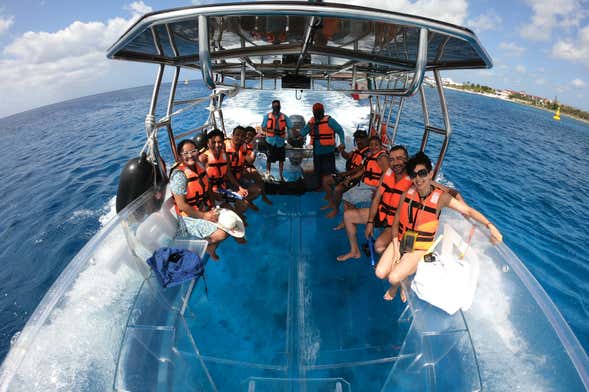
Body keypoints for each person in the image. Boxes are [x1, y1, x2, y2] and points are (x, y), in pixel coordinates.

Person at [376, 152, 503, 301]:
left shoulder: (440, 198)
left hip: (420, 247)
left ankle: (397, 285)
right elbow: (396, 221)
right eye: (414, 175)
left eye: (422, 173)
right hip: (403, 239)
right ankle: (404, 274)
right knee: (380, 272)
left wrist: (490, 225)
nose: (418, 178)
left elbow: (467, 210)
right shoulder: (407, 193)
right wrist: (397, 247)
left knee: (393, 277)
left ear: (430, 174)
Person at [336, 146, 412, 261]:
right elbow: (377, 198)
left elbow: (430, 184)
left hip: (395, 223)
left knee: (379, 246)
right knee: (348, 216)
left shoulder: (414, 179)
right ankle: (354, 251)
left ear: (407, 159)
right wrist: (370, 222)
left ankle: (390, 261)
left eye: (399, 158)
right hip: (381, 214)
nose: (395, 163)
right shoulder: (387, 175)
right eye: (391, 159)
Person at [170, 139, 229, 260]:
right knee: (222, 233)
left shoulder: (200, 166)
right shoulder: (179, 176)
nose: (190, 155)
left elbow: (208, 190)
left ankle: (210, 247)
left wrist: (212, 207)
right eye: (185, 153)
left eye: (193, 151)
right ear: (179, 156)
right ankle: (200, 246)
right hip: (188, 218)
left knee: (229, 221)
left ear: (198, 152)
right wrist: (204, 216)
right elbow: (182, 205)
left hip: (204, 209)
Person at [299, 102, 345, 204]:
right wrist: (298, 135)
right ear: (313, 112)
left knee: (329, 171)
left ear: (323, 111)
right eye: (316, 112)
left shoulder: (330, 121)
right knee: (318, 171)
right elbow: (303, 132)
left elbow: (340, 131)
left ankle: (331, 189)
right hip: (317, 152)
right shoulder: (312, 122)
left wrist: (342, 142)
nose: (317, 113)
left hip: (329, 152)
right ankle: (321, 187)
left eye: (319, 111)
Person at [199, 129, 249, 213]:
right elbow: (202, 184)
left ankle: (236, 212)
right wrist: (213, 201)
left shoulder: (224, 155)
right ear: (208, 143)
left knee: (244, 202)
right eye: (213, 143)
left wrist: (239, 187)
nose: (217, 145)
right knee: (241, 205)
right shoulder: (204, 158)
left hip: (222, 189)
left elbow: (228, 174)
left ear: (223, 143)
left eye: (219, 142)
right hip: (211, 193)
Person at [324, 130, 371, 218]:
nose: (358, 141)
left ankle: (336, 209)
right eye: (357, 139)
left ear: (366, 139)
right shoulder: (356, 149)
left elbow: (361, 168)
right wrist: (342, 151)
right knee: (326, 180)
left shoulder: (368, 153)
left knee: (338, 189)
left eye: (361, 139)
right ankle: (332, 203)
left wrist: (345, 174)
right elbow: (347, 156)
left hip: (357, 178)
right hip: (347, 175)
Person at [224, 126, 262, 210]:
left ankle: (245, 202)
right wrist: (240, 187)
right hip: (228, 181)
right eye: (237, 135)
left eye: (242, 136)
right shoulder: (225, 149)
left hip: (239, 177)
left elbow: (249, 161)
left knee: (257, 190)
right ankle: (241, 205)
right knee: (243, 204)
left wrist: (254, 148)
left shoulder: (243, 147)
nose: (240, 138)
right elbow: (228, 173)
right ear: (232, 135)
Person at [261, 100, 292, 181]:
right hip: (270, 142)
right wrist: (273, 131)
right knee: (269, 159)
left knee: (281, 160)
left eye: (277, 107)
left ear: (280, 107)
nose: (276, 108)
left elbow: (290, 127)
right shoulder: (267, 116)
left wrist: (293, 136)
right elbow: (263, 128)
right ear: (272, 107)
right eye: (274, 107)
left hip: (280, 142)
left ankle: (281, 176)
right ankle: (268, 174)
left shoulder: (284, 117)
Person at [243, 126, 272, 204]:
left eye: (250, 136)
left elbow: (251, 161)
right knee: (256, 176)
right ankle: (249, 201)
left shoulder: (254, 146)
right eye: (246, 134)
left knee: (260, 179)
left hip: (248, 166)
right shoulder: (241, 145)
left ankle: (263, 197)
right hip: (240, 168)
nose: (248, 137)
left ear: (253, 137)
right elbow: (250, 160)